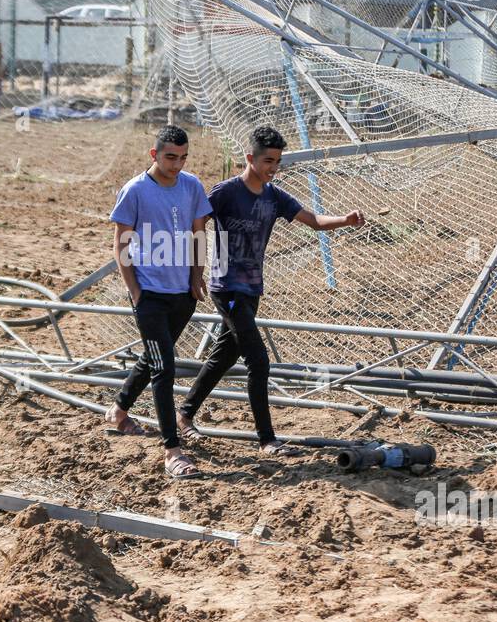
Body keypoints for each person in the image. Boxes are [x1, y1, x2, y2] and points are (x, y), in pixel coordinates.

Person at [177, 125, 366, 455]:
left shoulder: (273, 196)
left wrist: (345, 220)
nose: (273, 168)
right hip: (227, 289)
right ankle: (267, 439)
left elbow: (314, 220)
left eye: (277, 161)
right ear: (250, 158)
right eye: (268, 161)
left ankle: (185, 413)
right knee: (259, 362)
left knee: (224, 355)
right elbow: (196, 223)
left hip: (252, 290)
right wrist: (195, 272)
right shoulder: (225, 192)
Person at [106, 124, 212, 479]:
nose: (177, 164)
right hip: (149, 294)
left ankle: (119, 411)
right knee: (164, 367)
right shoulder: (135, 191)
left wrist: (196, 278)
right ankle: (172, 451)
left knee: (154, 357)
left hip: (182, 294)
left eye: (183, 157)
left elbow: (200, 233)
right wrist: (135, 291)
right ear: (154, 154)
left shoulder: (192, 185)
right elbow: (121, 244)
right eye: (170, 157)